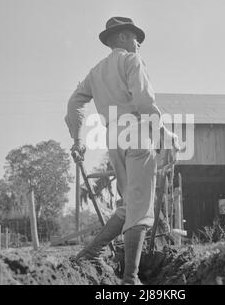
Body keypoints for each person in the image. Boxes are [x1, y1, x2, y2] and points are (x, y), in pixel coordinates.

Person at [65, 17, 179, 285]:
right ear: (121, 38)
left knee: (129, 205)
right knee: (140, 208)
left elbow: (74, 104)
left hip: (113, 135)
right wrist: (163, 131)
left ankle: (91, 253)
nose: (138, 42)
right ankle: (131, 278)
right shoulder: (131, 61)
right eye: (134, 36)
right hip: (137, 130)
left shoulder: (95, 72)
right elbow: (143, 100)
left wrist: (78, 139)